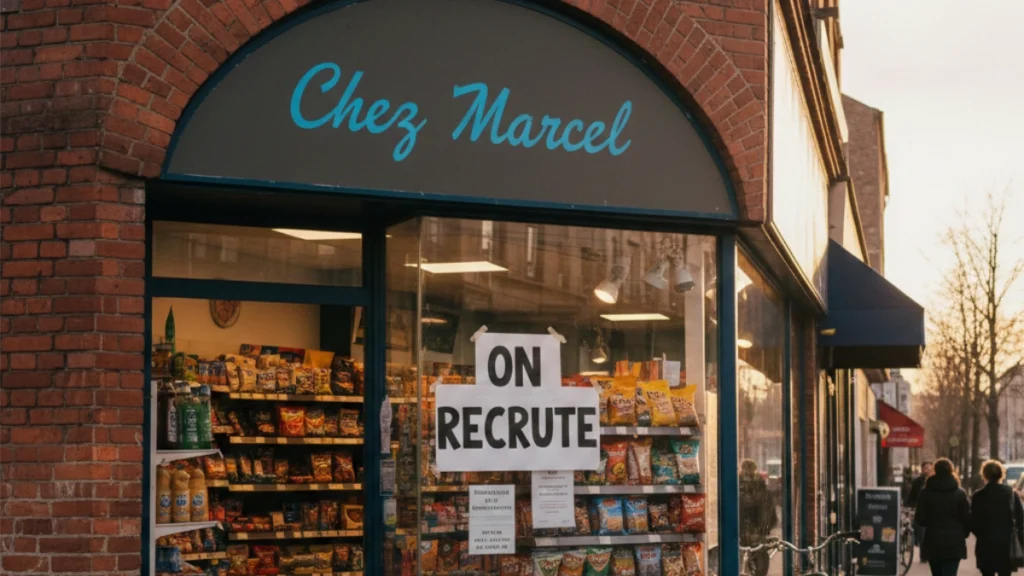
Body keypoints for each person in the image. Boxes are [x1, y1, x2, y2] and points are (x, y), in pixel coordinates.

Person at [915, 458, 971, 576]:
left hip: (933, 539)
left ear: (935, 471)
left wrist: (931, 523)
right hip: (954, 541)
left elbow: (919, 518)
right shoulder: (960, 493)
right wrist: (963, 533)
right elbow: (966, 518)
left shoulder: (925, 493)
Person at [971, 460, 1024, 576]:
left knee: (987, 572)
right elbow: (1020, 519)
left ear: (984, 475)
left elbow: (973, 521)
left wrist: (981, 534)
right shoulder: (1011, 494)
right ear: (1001, 474)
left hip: (985, 544)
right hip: (1006, 544)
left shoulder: (978, 496)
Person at [739, 459, 778, 576]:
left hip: (745, 537)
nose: (748, 479)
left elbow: (772, 517)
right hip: (754, 538)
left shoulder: (735, 489)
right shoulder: (763, 491)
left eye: (749, 474)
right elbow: (773, 518)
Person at [908, 462, 935, 562]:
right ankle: (923, 556)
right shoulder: (919, 481)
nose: (927, 470)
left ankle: (930, 554)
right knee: (923, 535)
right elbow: (912, 497)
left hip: (933, 512)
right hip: (922, 511)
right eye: (925, 468)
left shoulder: (937, 480)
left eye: (929, 468)